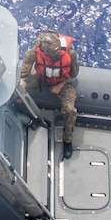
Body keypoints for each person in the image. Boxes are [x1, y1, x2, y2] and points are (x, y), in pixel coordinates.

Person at [20, 30, 79, 159]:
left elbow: (73, 75)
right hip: (42, 78)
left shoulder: (70, 54)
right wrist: (24, 86)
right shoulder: (33, 53)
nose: (56, 56)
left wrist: (60, 86)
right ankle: (25, 114)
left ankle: (67, 140)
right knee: (20, 91)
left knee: (69, 110)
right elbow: (24, 74)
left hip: (62, 82)